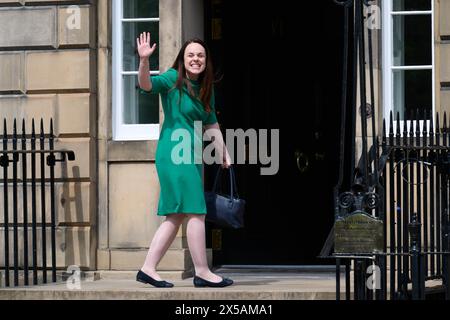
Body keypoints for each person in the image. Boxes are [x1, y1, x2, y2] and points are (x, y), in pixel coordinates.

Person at [135, 32, 233, 288]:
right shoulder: (171, 79)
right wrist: (144, 61)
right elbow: (146, 85)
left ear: (205, 60)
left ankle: (147, 268)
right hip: (173, 154)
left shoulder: (205, 88)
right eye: (191, 55)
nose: (195, 59)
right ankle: (202, 271)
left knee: (176, 215)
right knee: (196, 212)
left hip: (190, 155)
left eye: (200, 55)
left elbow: (211, 122)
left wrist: (223, 151)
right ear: (183, 59)